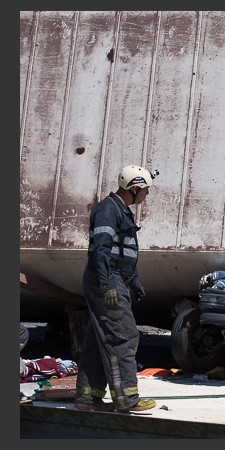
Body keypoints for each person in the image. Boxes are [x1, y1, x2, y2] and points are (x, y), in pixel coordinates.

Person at [74, 165, 158, 412]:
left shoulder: (120, 211)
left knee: (97, 339)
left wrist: (133, 280)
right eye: (145, 190)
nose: (147, 195)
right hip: (107, 280)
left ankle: (88, 398)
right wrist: (107, 284)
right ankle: (126, 399)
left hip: (113, 279)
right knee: (124, 336)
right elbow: (101, 250)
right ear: (134, 188)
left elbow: (121, 253)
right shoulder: (108, 211)